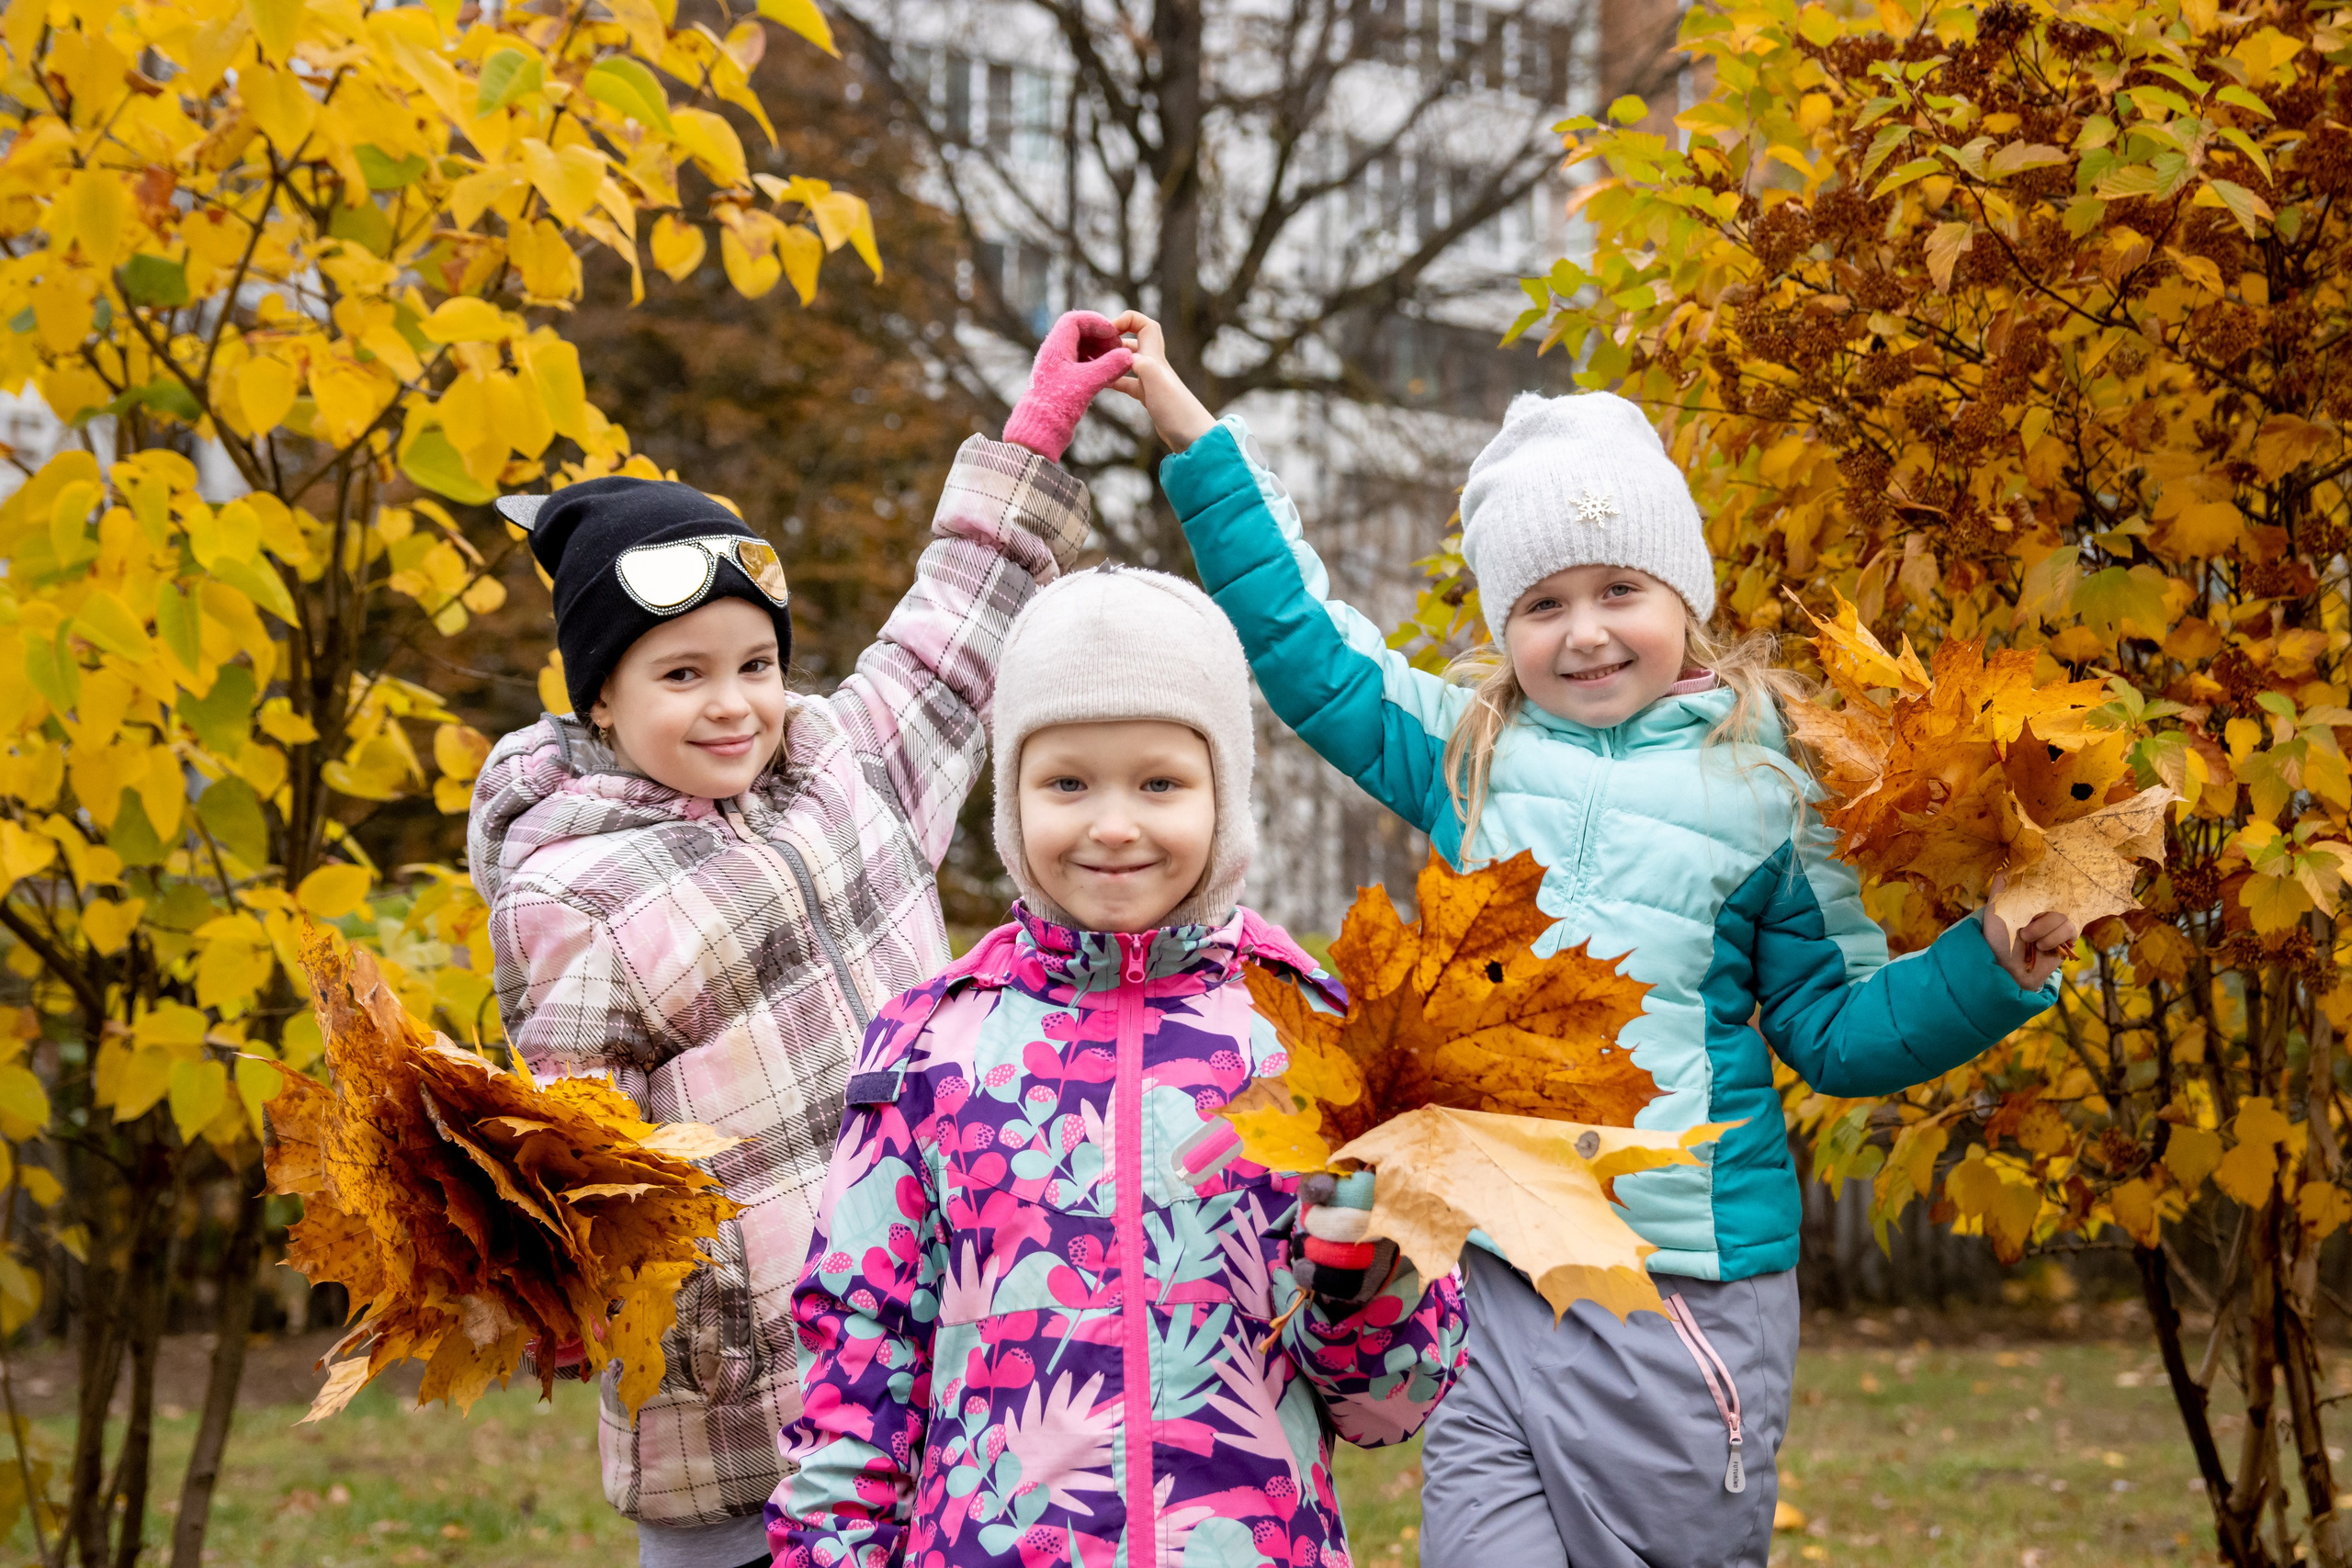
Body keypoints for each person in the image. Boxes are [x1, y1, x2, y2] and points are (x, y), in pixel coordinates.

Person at [1108, 315, 2078, 1568]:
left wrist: (1988, 967)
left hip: (1683, 1289)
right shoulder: (1471, 758)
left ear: (1685, 593)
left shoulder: (1774, 788)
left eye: (1621, 589)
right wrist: (1190, 429)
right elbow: (1305, 647)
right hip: (1492, 1273)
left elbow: (1836, 1031)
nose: (1586, 632)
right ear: (1506, 625)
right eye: (1544, 603)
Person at [466, 313, 1133, 1568]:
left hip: (940, 1354)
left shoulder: (844, 767)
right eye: (682, 674)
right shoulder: (567, 891)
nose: (734, 704)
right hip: (744, 1410)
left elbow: (949, 642)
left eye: (756, 661)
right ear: (599, 694)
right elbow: (574, 1145)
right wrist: (563, 1279)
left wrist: (1035, 429)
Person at [767, 566, 1467, 1568]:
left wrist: (1366, 1280)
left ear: (1224, 791)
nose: (1111, 824)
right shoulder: (928, 1046)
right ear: (1011, 796)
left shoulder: (1321, 1041)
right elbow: (858, 1367)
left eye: (1158, 782)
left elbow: (1389, 1409)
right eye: (1066, 782)